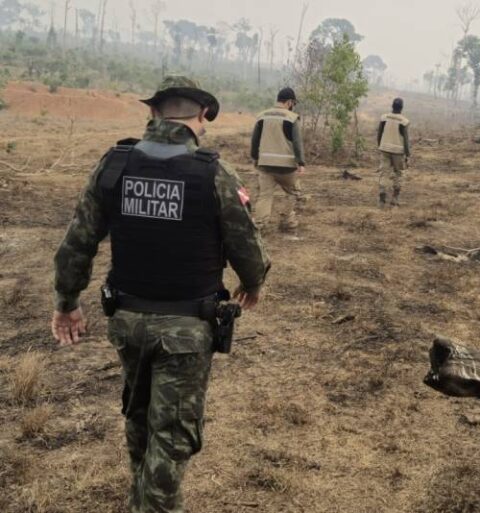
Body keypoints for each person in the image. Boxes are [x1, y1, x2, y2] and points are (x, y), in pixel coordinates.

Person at [50, 75, 271, 513]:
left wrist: (67, 302)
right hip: (187, 332)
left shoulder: (115, 164)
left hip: (128, 324)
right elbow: (247, 247)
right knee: (170, 440)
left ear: (153, 112)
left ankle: (141, 502)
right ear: (202, 117)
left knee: (140, 423)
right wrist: (253, 283)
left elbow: (78, 240)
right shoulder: (214, 172)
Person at [250, 87, 306, 231]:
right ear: (289, 102)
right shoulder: (291, 118)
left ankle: (260, 225)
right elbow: (297, 143)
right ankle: (287, 221)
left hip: (265, 166)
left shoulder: (262, 116)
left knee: (265, 195)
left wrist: (255, 158)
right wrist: (301, 162)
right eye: (293, 103)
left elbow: (255, 140)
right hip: (286, 167)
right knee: (293, 192)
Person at [377, 97, 411, 207]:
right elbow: (406, 139)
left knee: (384, 173)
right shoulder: (403, 121)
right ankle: (395, 199)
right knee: (399, 173)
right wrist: (408, 154)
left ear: (392, 106)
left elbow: (379, 134)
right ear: (402, 107)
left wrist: (380, 145)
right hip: (398, 151)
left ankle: (382, 198)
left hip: (384, 149)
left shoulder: (384, 118)